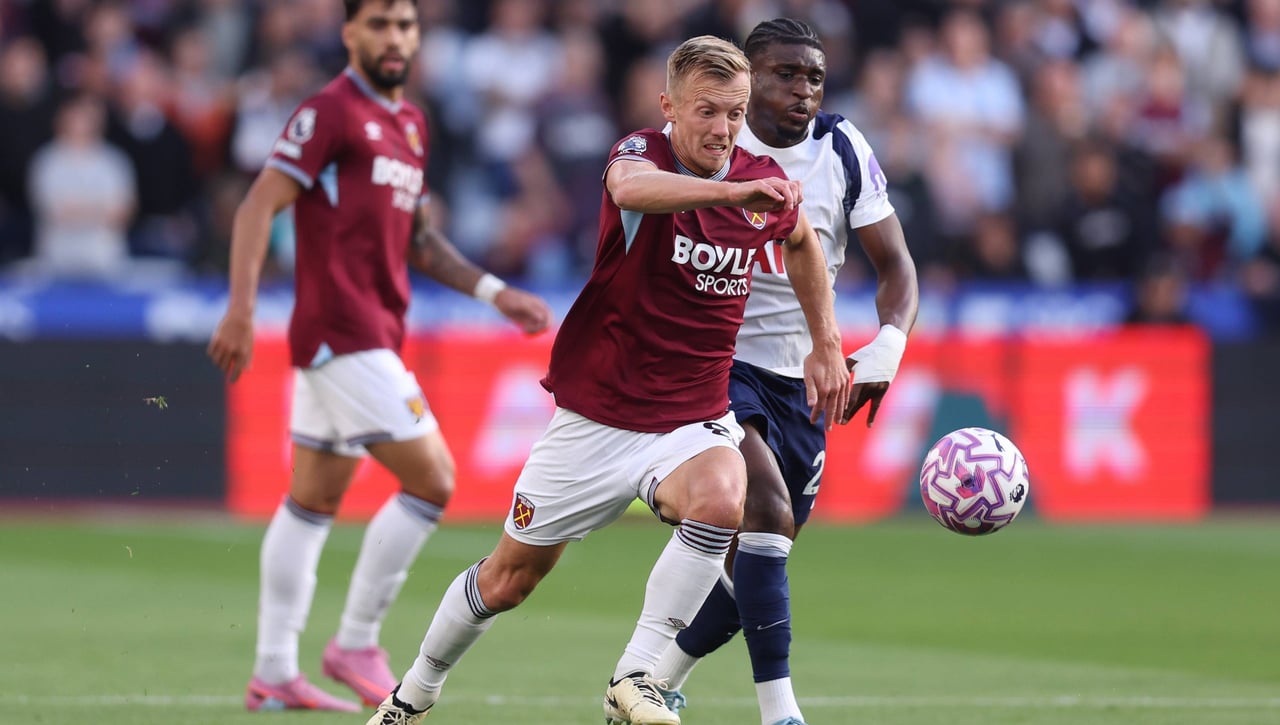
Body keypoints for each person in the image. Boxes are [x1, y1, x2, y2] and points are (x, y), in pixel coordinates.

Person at [364, 34, 851, 725]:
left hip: (692, 414)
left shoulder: (755, 178)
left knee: (723, 495)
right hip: (597, 417)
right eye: (707, 111)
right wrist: (735, 188)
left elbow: (799, 240)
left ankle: (636, 675)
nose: (722, 129)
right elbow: (630, 190)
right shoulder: (641, 155)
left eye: (735, 114)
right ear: (668, 109)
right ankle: (416, 689)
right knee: (508, 579)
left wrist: (826, 341)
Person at [206, 0, 551, 712]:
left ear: (418, 36)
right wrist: (240, 308)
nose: (394, 38)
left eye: (405, 25)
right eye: (380, 24)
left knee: (312, 500)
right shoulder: (329, 111)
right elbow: (254, 207)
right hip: (341, 331)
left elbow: (418, 239)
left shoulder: (410, 124)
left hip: (367, 333)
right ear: (350, 34)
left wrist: (493, 291)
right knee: (434, 479)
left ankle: (273, 669)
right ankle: (357, 640)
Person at [652, 19, 919, 725]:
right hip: (714, 364)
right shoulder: (714, 145)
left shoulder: (843, 149)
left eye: (813, 78)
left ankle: (649, 679)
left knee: (760, 565)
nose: (801, 91)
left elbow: (896, 268)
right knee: (763, 512)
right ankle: (781, 712)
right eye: (784, 75)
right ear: (748, 76)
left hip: (802, 377)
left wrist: (887, 342)